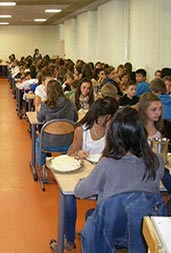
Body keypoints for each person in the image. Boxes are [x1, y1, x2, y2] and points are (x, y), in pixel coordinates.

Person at [74, 107, 164, 250]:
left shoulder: (107, 164)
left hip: (111, 229)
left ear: (114, 135)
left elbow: (80, 192)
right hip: (143, 231)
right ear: (142, 134)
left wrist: (82, 181)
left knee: (91, 214)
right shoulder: (157, 162)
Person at [63, 97, 119, 250]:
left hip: (105, 176)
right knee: (68, 196)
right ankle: (69, 238)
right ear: (107, 117)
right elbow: (70, 154)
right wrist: (78, 154)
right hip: (85, 176)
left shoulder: (113, 130)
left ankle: (98, 231)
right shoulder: (82, 130)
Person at [36, 79, 78, 171]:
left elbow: (39, 119)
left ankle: (42, 167)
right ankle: (66, 163)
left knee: (38, 142)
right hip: (68, 143)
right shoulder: (70, 104)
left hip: (48, 143)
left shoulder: (45, 105)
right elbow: (75, 119)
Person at [138, 93, 171, 160]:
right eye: (154, 110)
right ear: (144, 110)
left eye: (160, 109)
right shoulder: (135, 128)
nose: (158, 112)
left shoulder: (166, 125)